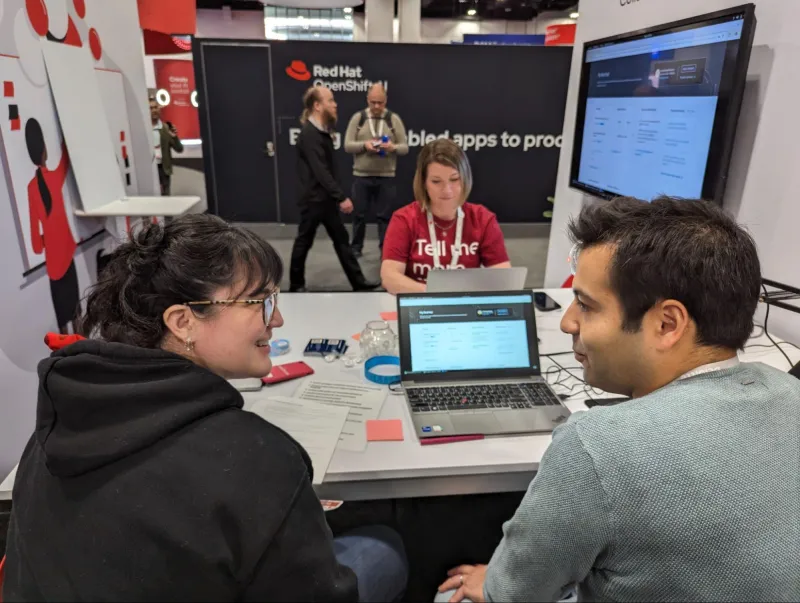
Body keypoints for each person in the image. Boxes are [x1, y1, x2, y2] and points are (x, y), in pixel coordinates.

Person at [3, 215, 407, 602]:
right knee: (383, 549)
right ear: (183, 321)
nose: (278, 319)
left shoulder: (57, 424)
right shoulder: (258, 459)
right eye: (260, 302)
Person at [435, 197, 800, 603]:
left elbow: (514, 591)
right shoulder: (791, 393)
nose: (567, 321)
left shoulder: (596, 447)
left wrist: (491, 583)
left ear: (667, 324)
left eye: (587, 306)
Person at [381, 139, 511, 294]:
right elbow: (389, 277)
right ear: (423, 183)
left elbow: (503, 278)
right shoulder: (404, 219)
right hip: (420, 305)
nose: (447, 190)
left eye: (454, 180)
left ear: (465, 178)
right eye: (436, 182)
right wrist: (435, 294)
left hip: (466, 305)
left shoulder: (482, 219)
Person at [289, 86, 380, 292]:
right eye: (330, 100)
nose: (335, 104)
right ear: (317, 106)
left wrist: (335, 197)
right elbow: (320, 171)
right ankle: (296, 285)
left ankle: (359, 283)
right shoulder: (309, 134)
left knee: (341, 241)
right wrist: (341, 197)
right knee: (304, 241)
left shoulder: (322, 132)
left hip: (325, 200)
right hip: (313, 200)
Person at [25, 117, 80, 335]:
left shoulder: (31, 187)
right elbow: (65, 161)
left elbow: (33, 231)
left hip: (52, 259)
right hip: (66, 251)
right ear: (44, 151)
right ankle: (81, 343)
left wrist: (41, 245)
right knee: (76, 308)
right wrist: (66, 137)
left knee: (61, 314)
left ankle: (65, 348)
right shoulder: (54, 178)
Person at [344, 83, 409, 257]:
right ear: (367, 100)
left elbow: (405, 147)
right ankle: (356, 247)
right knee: (359, 215)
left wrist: (392, 147)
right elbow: (347, 146)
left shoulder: (393, 119)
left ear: (386, 100)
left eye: (380, 102)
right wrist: (364, 145)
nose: (376, 106)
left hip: (386, 176)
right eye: (373, 102)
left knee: (385, 217)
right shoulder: (358, 119)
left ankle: (385, 249)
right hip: (361, 176)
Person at [150, 97, 183, 196]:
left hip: (164, 169)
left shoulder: (166, 128)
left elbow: (179, 149)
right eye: (150, 108)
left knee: (166, 197)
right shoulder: (143, 129)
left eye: (156, 107)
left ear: (159, 109)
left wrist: (175, 137)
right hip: (149, 169)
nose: (154, 110)